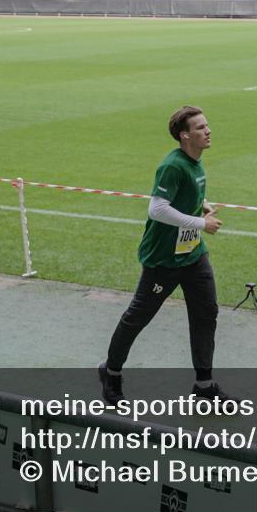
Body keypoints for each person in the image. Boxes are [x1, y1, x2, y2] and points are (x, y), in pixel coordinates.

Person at [99, 106, 230, 406]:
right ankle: (111, 373)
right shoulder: (173, 165)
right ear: (185, 136)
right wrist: (202, 223)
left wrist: (203, 205)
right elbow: (157, 209)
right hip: (163, 260)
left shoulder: (195, 162)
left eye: (207, 125)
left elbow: (183, 195)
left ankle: (204, 387)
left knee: (205, 314)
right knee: (137, 318)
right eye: (200, 128)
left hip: (193, 256)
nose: (208, 131)